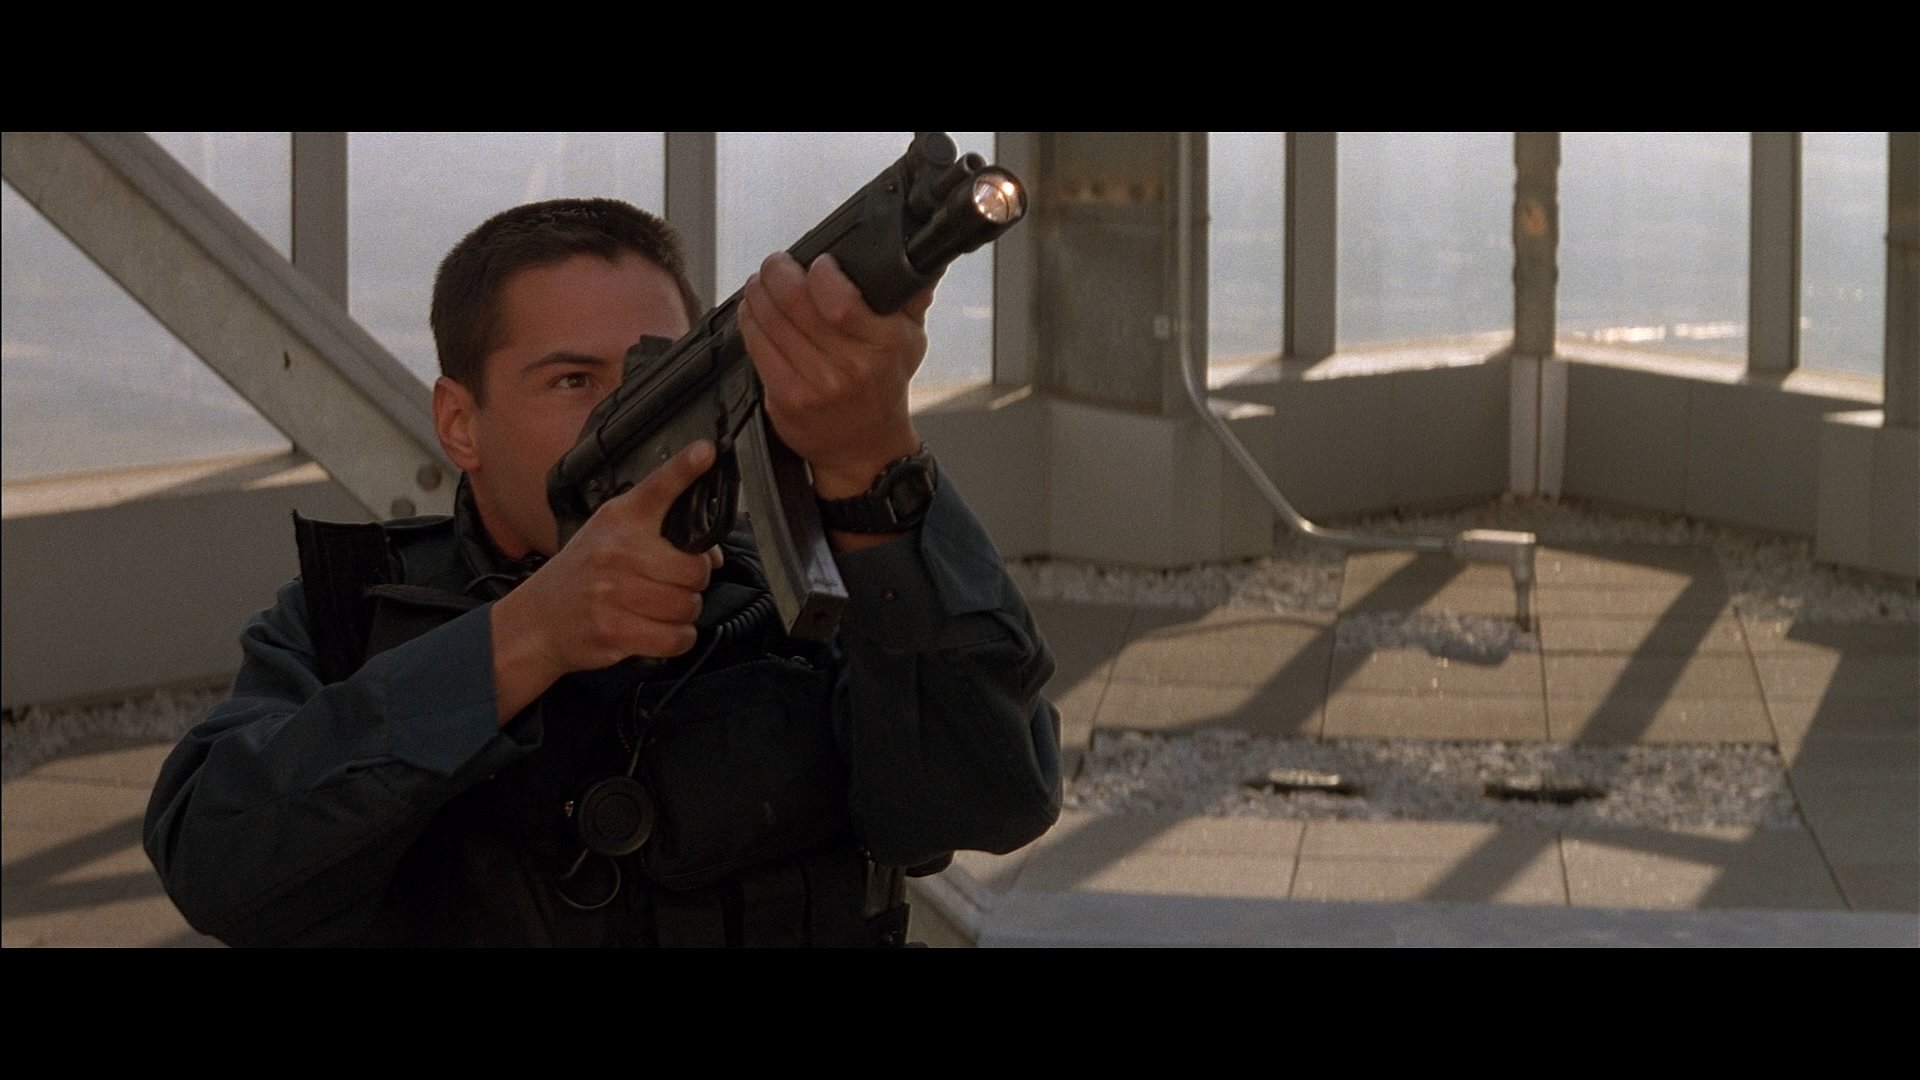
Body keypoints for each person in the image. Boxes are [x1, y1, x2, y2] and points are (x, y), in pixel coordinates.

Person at [143, 197, 1062, 947]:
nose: (624, 411)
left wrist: (870, 470)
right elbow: (217, 863)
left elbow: (992, 803)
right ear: (460, 422)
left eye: (659, 373)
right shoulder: (352, 617)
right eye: (572, 381)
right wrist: (525, 639)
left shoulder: (793, 599)